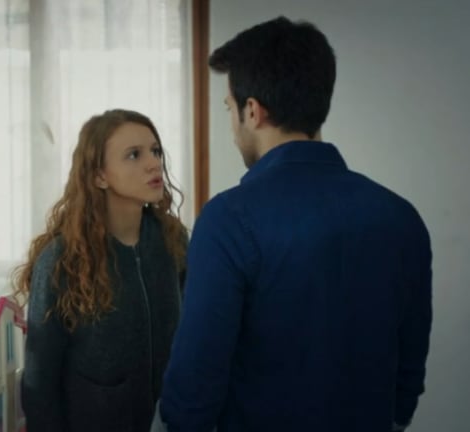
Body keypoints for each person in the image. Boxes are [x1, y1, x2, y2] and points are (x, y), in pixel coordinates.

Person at [154, 16, 432, 432]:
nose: (232, 127)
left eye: (229, 108)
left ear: (252, 111)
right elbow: (408, 372)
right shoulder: (401, 216)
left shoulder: (227, 220)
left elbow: (194, 389)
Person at [13, 108, 188, 432]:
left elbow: (191, 332)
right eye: (134, 155)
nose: (154, 163)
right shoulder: (61, 260)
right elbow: (40, 380)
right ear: (99, 176)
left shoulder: (173, 239)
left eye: (155, 151)